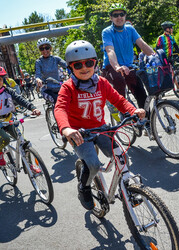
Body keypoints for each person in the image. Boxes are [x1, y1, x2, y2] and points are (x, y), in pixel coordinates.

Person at [54, 40, 145, 210]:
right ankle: (84, 187)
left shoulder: (102, 82)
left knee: (122, 158)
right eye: (77, 65)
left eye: (89, 63)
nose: (84, 67)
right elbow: (60, 109)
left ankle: (126, 189)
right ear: (70, 68)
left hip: (101, 129)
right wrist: (66, 129)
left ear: (95, 63)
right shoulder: (68, 87)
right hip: (79, 134)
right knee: (93, 164)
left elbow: (119, 100)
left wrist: (134, 110)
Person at [102, 3, 155, 109]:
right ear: (111, 18)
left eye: (121, 14)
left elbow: (142, 44)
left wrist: (156, 56)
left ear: (125, 16)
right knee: (119, 81)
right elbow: (110, 50)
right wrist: (117, 67)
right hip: (112, 67)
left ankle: (146, 122)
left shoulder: (130, 29)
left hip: (128, 66)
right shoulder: (107, 32)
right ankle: (123, 113)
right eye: (115, 15)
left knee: (141, 94)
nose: (119, 17)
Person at [0, 67, 41, 169]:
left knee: (23, 143)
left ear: (3, 80)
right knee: (5, 139)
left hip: (8, 120)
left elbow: (19, 99)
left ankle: (30, 166)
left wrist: (32, 108)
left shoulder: (7, 91)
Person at [35, 37, 67, 103]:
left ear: (50, 48)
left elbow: (68, 65)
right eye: (42, 49)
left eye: (47, 48)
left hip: (58, 86)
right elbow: (38, 75)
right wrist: (38, 80)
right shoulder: (38, 62)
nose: (45, 51)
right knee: (55, 101)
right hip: (47, 88)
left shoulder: (56, 59)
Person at [156, 21, 179, 96]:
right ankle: (161, 90)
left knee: (173, 73)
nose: (172, 29)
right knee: (164, 74)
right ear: (167, 29)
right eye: (171, 27)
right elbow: (157, 48)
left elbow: (176, 46)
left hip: (170, 58)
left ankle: (177, 88)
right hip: (163, 58)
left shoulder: (172, 37)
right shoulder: (160, 38)